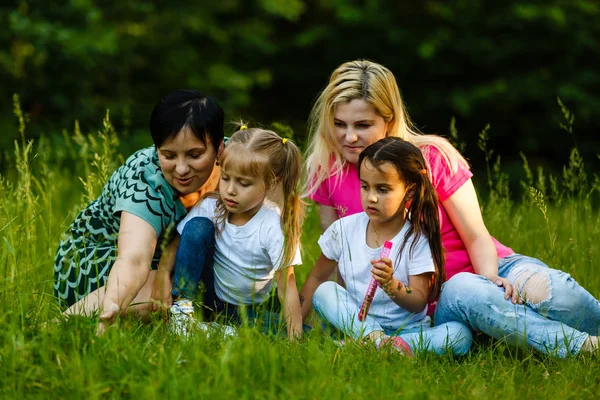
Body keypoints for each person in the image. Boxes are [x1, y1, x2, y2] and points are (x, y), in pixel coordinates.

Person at [299, 59, 600, 357]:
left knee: (554, 292)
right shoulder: (329, 171)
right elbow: (342, 261)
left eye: (362, 125)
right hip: (438, 299)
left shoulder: (432, 156)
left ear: (388, 120)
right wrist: (327, 319)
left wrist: (490, 278)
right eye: (340, 124)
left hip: (492, 267)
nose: (349, 137)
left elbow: (476, 235)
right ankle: (582, 349)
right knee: (466, 290)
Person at [53, 90, 224, 333]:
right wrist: (114, 304)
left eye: (194, 155)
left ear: (219, 149)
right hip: (97, 261)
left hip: (169, 258)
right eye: (169, 155)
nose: (182, 168)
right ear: (157, 148)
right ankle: (55, 326)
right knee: (186, 286)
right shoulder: (146, 183)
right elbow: (133, 259)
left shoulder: (235, 162)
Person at [308, 137, 472, 355]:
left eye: (383, 189)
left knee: (460, 334)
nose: (371, 197)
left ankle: (384, 346)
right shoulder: (343, 230)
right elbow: (317, 279)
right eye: (365, 187)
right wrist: (295, 327)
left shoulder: (416, 238)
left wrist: (391, 284)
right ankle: (376, 341)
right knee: (325, 291)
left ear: (409, 192)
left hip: (409, 331)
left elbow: (417, 301)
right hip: (361, 323)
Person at [170, 127, 305, 341]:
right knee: (197, 226)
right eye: (225, 178)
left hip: (244, 309)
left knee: (298, 332)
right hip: (204, 295)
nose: (231, 190)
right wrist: (160, 287)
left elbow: (287, 287)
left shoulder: (273, 224)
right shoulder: (210, 205)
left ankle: (217, 329)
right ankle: (182, 313)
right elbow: (177, 248)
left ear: (270, 183)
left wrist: (295, 341)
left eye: (243, 183)